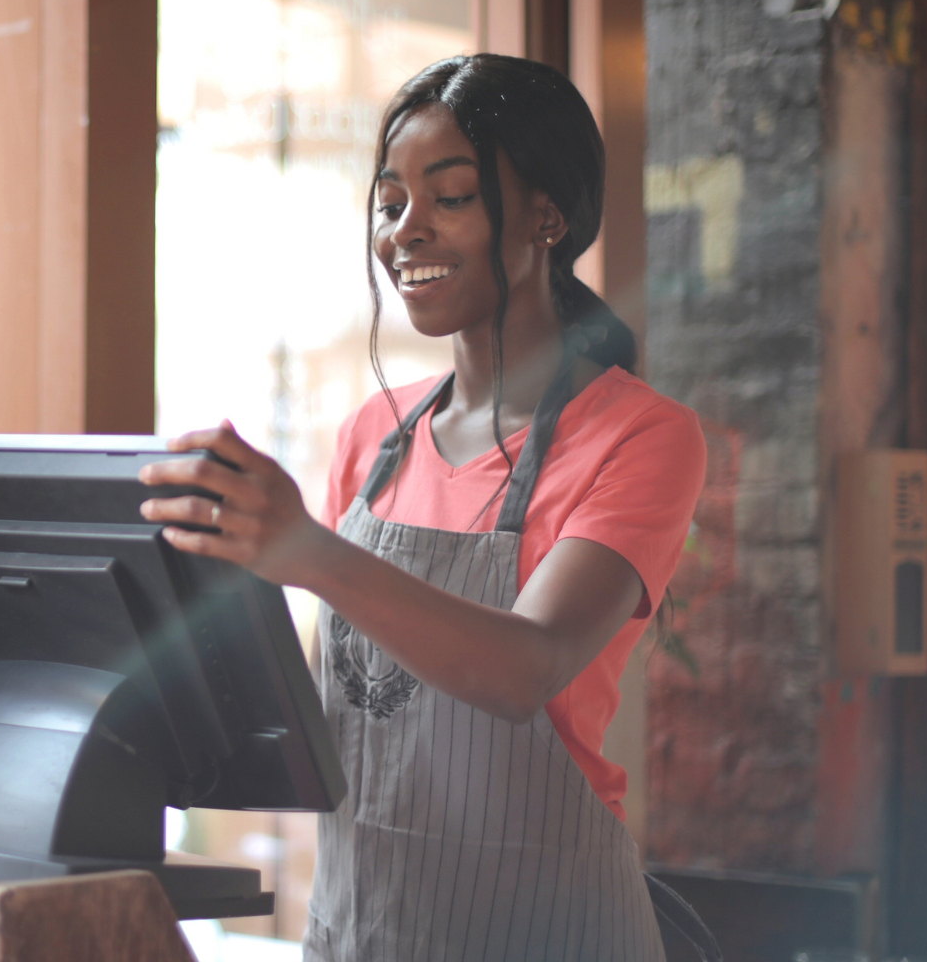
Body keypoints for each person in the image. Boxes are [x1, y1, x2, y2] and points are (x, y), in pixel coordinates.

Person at [138, 54, 708, 962]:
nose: (405, 231)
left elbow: (526, 666)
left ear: (546, 218)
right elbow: (343, 715)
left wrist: (307, 550)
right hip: (360, 929)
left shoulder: (640, 438)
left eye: (449, 198)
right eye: (390, 200)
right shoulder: (374, 435)